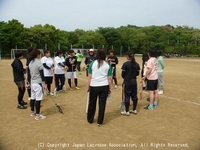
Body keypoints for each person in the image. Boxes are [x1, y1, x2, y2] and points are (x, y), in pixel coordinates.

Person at [87, 48, 112, 127]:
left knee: (92, 103)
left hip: (94, 86)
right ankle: (99, 121)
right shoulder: (108, 65)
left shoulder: (92, 64)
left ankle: (90, 119)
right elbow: (109, 78)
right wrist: (110, 88)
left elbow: (89, 77)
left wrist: (88, 87)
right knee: (102, 104)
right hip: (104, 86)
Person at [29, 49, 47, 120]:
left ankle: (32, 112)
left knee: (33, 98)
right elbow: (42, 74)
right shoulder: (38, 63)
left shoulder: (31, 62)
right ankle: (38, 115)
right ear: (37, 55)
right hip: (37, 82)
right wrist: (44, 84)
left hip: (32, 82)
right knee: (38, 99)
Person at [121, 51, 140, 116]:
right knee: (134, 96)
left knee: (127, 96)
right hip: (134, 81)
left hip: (127, 81)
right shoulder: (137, 64)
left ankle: (127, 111)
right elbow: (137, 73)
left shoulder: (125, 64)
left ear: (127, 56)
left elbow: (123, 74)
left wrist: (126, 78)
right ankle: (134, 109)